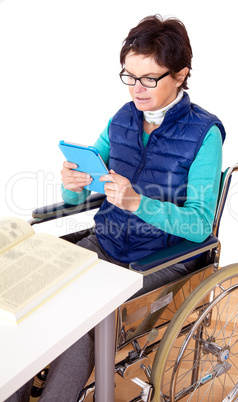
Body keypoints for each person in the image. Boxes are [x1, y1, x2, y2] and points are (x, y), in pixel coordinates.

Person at [6, 14, 225, 402]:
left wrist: (137, 202)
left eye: (149, 78)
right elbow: (85, 191)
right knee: (31, 301)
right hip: (104, 244)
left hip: (161, 259)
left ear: (180, 74)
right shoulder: (121, 119)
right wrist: (72, 184)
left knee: (78, 325)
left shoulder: (204, 134)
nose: (137, 90)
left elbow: (200, 224)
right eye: (129, 76)